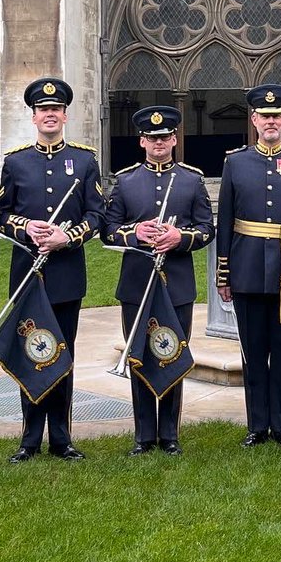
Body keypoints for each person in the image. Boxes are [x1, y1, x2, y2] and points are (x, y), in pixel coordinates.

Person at [0, 77, 105, 463]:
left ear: (65, 115)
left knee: (62, 353)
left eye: (56, 110)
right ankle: (29, 438)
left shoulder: (85, 160)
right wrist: (24, 227)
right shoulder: (15, 160)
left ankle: (61, 437)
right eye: (43, 110)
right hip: (27, 273)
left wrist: (67, 237)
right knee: (30, 351)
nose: (50, 115)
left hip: (65, 273)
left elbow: (97, 215)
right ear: (33, 116)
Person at [103, 105, 214, 456]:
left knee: (172, 354)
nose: (159, 143)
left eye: (165, 137)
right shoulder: (125, 181)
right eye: (152, 138)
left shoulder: (191, 180)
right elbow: (107, 231)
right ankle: (143, 434)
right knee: (139, 356)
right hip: (136, 284)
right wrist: (136, 234)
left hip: (177, 285)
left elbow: (206, 230)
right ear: (142, 141)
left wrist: (178, 238)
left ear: (175, 139)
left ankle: (170, 434)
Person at [216, 83, 281, 448]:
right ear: (254, 119)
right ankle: (256, 426)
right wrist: (224, 273)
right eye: (265, 116)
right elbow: (225, 221)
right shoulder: (236, 162)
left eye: (277, 115)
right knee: (253, 353)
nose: (271, 121)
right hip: (246, 270)